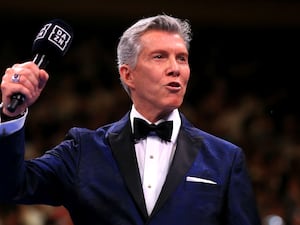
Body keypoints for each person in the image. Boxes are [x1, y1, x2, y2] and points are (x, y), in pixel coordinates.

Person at [0, 14, 262, 225]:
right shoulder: (83, 150)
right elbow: (10, 185)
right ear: (128, 75)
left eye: (181, 58)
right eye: (159, 56)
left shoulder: (225, 159)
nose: (175, 68)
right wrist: (10, 115)